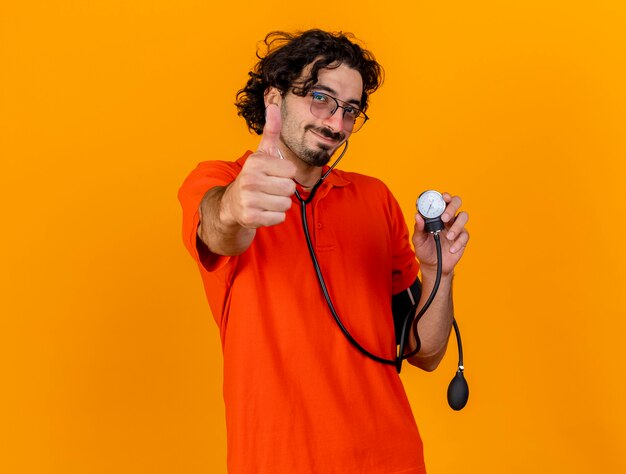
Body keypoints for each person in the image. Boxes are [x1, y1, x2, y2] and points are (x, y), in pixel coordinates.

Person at [178, 29, 469, 474]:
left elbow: (425, 353)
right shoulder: (220, 181)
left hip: (392, 459)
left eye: (349, 110)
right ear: (274, 99)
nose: (336, 122)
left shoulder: (376, 199)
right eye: (320, 97)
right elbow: (220, 231)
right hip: (278, 460)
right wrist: (237, 205)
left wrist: (439, 272)